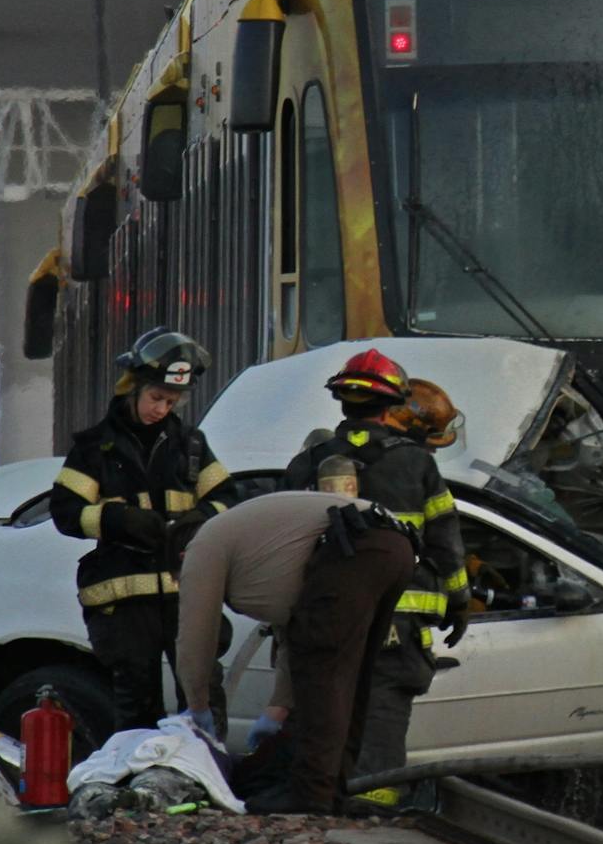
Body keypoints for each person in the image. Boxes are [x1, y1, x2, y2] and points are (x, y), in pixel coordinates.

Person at [281, 356, 468, 808]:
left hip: (327, 611)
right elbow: (446, 540)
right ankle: (374, 799)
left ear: (344, 405)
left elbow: (285, 541)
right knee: (383, 701)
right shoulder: (416, 464)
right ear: (392, 407)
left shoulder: (308, 463)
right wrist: (458, 599)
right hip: (398, 622)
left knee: (324, 698)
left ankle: (320, 799)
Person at [173, 490, 417, 814]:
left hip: (353, 545)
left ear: (181, 556)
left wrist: (196, 705)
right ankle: (332, 792)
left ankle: (309, 798)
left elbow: (195, 634)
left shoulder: (204, 545)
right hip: (392, 546)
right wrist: (278, 706)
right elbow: (296, 633)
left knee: (324, 677)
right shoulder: (259, 547)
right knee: (350, 679)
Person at [50, 327, 234, 732]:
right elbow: (65, 511)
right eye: (155, 398)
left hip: (185, 598)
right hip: (125, 603)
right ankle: (135, 785)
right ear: (132, 388)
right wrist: (116, 520)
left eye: (170, 401)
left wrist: (198, 520)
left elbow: (228, 500)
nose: (161, 409)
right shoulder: (96, 449)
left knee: (202, 696)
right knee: (136, 706)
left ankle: (207, 777)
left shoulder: (192, 446)